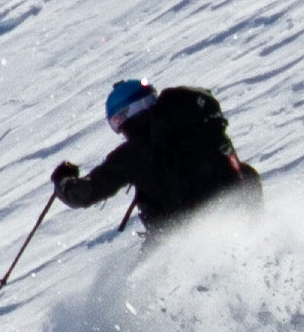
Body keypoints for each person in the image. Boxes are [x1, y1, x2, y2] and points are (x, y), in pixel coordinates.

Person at [53, 79, 259, 237]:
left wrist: (63, 181)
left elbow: (84, 193)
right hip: (244, 215)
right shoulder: (197, 124)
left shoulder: (137, 151)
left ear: (124, 116)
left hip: (185, 239)